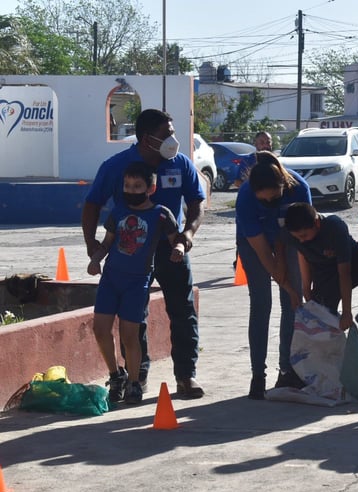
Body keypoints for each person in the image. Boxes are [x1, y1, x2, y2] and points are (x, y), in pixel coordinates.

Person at [82, 109, 206, 399]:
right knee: (132, 318)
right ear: (147, 139)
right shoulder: (116, 167)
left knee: (182, 309)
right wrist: (92, 246)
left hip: (171, 248)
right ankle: (138, 376)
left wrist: (187, 235)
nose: (172, 140)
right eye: (166, 135)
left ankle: (186, 376)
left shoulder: (179, 163)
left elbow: (197, 202)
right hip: (130, 252)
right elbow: (92, 205)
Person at [88, 162, 183, 404]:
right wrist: (96, 260)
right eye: (127, 186)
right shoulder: (119, 211)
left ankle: (133, 382)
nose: (131, 190)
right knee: (100, 329)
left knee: (130, 335)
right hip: (111, 278)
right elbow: (108, 243)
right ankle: (115, 374)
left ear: (150, 188)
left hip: (137, 281)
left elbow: (176, 240)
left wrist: (180, 248)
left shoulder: (161, 214)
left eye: (137, 186)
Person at [235, 151, 311, 399]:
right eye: (264, 200)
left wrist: (295, 289)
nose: (270, 203)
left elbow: (305, 235)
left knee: (292, 305)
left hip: (290, 239)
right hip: (253, 244)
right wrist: (287, 285)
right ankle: (258, 374)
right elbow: (264, 255)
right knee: (261, 304)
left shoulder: (299, 189)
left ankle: (287, 370)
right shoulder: (246, 198)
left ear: (283, 186)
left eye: (274, 198)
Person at [281, 202, 358, 332]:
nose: (301, 240)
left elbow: (344, 273)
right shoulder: (290, 234)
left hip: (351, 261)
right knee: (323, 319)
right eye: (297, 238)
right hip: (323, 272)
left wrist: (347, 311)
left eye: (304, 236)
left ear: (316, 223)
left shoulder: (335, 227)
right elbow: (302, 255)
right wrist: (306, 288)